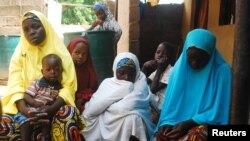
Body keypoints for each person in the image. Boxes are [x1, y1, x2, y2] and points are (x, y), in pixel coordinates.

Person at [1, 10, 83, 141]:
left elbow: (69, 87)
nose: (31, 32)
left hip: (53, 108)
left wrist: (50, 109)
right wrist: (24, 109)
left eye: (36, 27)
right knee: (3, 124)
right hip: (25, 109)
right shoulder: (20, 53)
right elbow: (15, 84)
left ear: (45, 26)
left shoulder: (61, 53)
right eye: (26, 29)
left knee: (68, 115)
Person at [154, 29, 232, 141]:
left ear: (210, 54)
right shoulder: (179, 70)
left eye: (201, 59)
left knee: (196, 136)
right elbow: (171, 108)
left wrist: (190, 123)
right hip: (179, 124)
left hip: (206, 124)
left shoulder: (222, 72)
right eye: (191, 58)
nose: (194, 63)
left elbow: (220, 112)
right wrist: (167, 123)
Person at [82, 52, 155, 141]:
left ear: (136, 73)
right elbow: (91, 110)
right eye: (121, 73)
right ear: (115, 71)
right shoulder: (108, 83)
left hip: (128, 125)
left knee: (133, 118)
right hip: (106, 122)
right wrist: (126, 89)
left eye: (131, 73)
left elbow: (124, 107)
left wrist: (107, 107)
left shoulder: (140, 84)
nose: (126, 78)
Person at [14, 54, 62, 141]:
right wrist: (34, 103)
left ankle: (45, 137)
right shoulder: (37, 83)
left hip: (45, 112)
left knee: (47, 124)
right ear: (42, 71)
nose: (53, 72)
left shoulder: (59, 88)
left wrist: (50, 106)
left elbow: (56, 102)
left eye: (57, 70)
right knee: (26, 123)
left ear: (61, 71)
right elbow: (26, 96)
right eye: (48, 69)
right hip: (31, 110)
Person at [142, 42, 175, 124]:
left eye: (164, 54)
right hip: (154, 107)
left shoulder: (172, 71)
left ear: (169, 57)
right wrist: (144, 67)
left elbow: (153, 89)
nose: (159, 55)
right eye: (158, 52)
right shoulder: (157, 71)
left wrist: (159, 69)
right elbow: (141, 85)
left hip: (163, 111)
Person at [67, 37, 98, 114]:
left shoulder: (89, 69)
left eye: (84, 54)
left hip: (85, 103)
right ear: (70, 52)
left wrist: (83, 98)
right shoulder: (65, 69)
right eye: (77, 52)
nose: (80, 56)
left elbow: (94, 89)